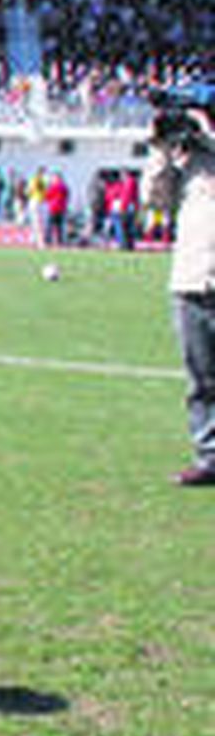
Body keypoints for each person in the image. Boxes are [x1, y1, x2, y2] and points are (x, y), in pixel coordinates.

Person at [144, 105, 215, 487]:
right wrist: (161, 148)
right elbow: (155, 200)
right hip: (192, 279)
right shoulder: (189, 161)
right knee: (201, 381)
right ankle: (210, 457)